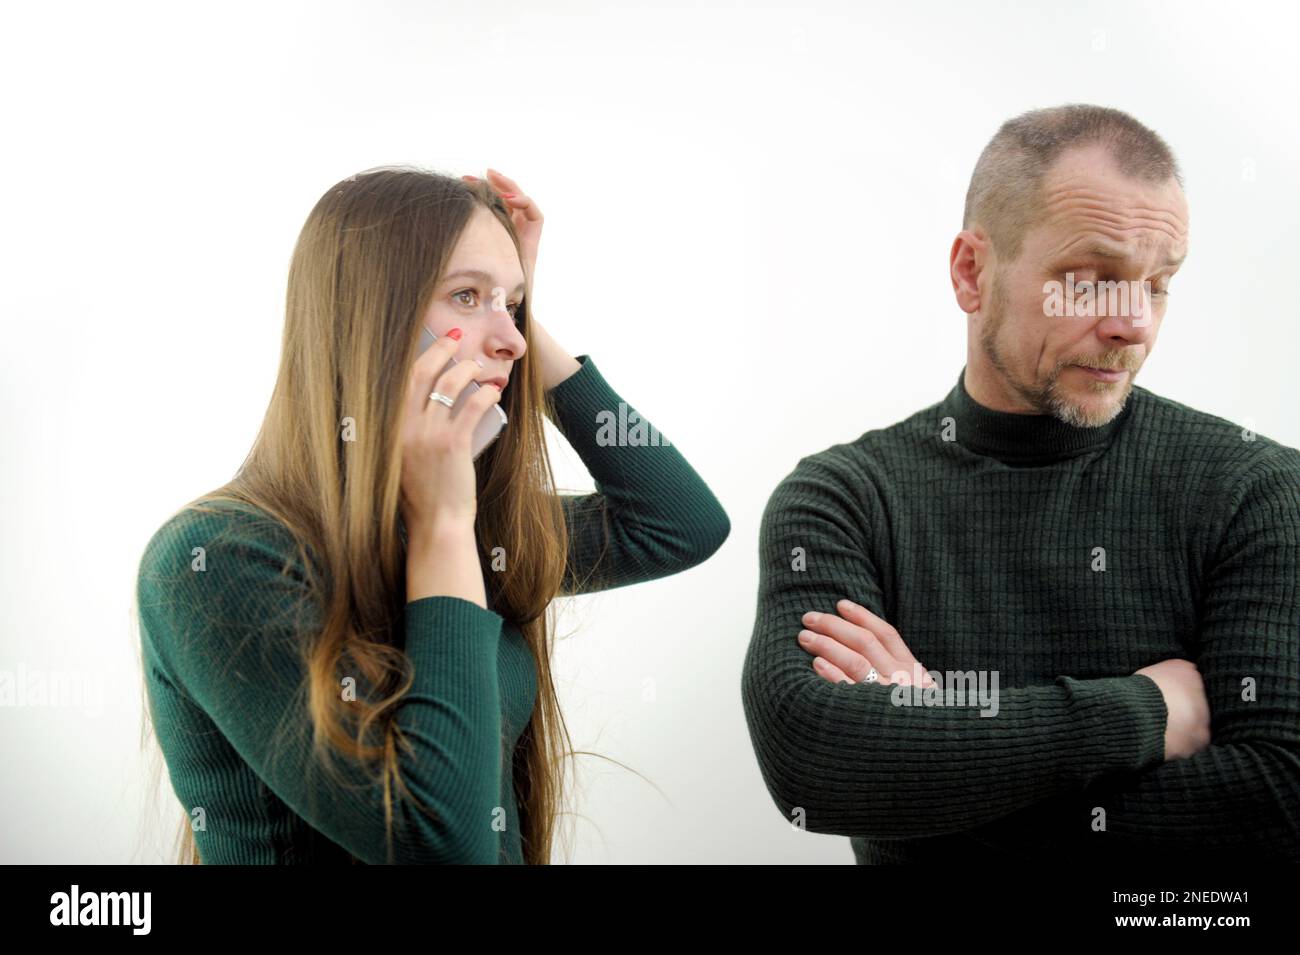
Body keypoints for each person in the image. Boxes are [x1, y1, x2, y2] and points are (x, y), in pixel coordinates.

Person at [741, 104, 1300, 863]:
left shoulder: (1257, 489)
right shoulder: (845, 500)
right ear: (973, 271)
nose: (1134, 324)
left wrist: (934, 750)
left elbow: (1279, 799)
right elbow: (816, 762)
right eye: (1091, 280)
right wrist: (1143, 711)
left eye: (1159, 283)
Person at [136, 166, 730, 864]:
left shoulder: (475, 535)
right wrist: (445, 528)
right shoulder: (217, 558)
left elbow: (681, 523)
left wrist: (513, 319)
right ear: (367, 316)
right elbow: (443, 844)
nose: (508, 338)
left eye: (512, 303)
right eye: (466, 295)